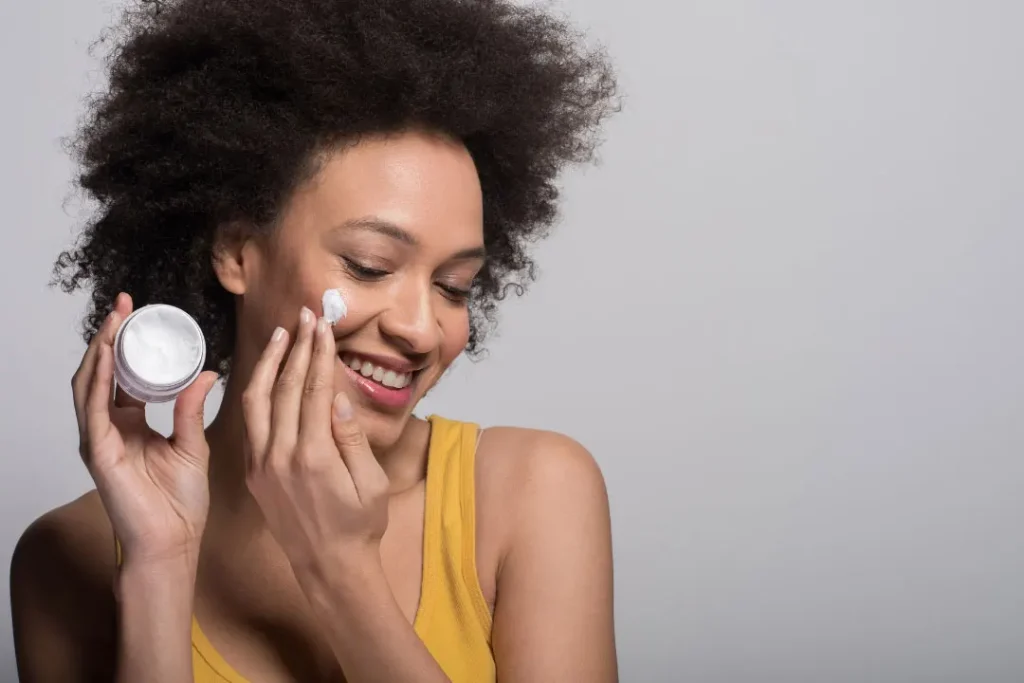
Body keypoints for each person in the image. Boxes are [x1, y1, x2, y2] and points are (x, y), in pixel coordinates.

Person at [10, 0, 619, 680]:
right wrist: (158, 563)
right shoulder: (69, 556)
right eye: (368, 265)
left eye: (453, 286)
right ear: (238, 252)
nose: (421, 329)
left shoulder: (533, 492)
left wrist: (341, 571)